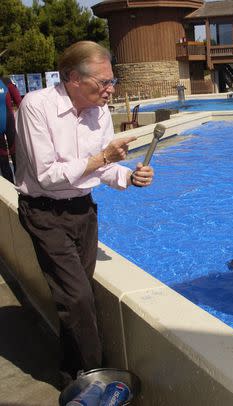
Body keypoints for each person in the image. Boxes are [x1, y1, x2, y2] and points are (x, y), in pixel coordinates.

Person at [14, 41, 154, 388]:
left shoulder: (100, 113)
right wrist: (104, 159)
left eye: (112, 82)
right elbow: (47, 174)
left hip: (83, 212)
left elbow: (103, 170)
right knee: (77, 298)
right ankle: (97, 379)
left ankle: (70, 375)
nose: (110, 90)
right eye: (104, 82)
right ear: (73, 77)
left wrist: (128, 177)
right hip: (44, 213)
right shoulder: (37, 106)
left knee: (73, 299)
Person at [0, 76, 22, 183]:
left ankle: (21, 183)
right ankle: (8, 185)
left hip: (9, 124)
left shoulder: (6, 81)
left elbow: (20, 103)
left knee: (15, 153)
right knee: (2, 158)